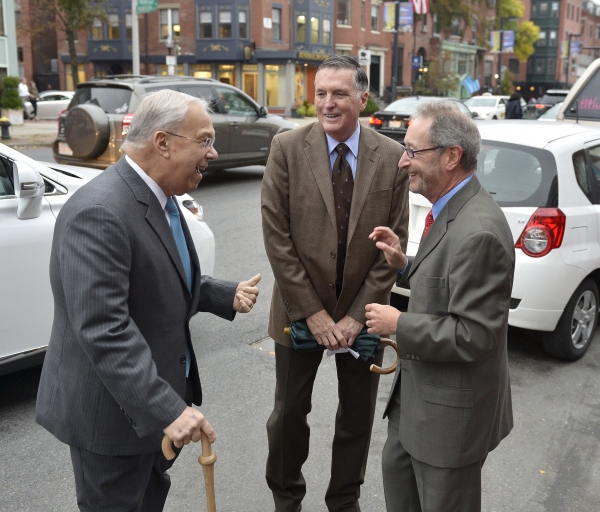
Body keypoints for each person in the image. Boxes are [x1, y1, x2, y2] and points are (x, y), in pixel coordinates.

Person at [35, 89, 261, 511]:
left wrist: (220, 294)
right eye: (205, 140)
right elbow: (105, 329)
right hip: (114, 421)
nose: (212, 153)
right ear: (163, 142)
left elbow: (156, 277)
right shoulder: (100, 212)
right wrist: (168, 410)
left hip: (152, 416)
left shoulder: (163, 199)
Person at [261, 55, 409, 512]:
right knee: (287, 417)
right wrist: (314, 312)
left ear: (362, 99)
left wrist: (351, 317)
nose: (327, 103)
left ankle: (344, 500)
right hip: (298, 312)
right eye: (321, 92)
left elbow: (393, 246)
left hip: (363, 318)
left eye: (339, 94)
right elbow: (276, 236)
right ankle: (287, 499)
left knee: (357, 418)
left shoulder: (391, 156)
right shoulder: (287, 147)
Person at [365, 101, 514, 512]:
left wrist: (399, 322)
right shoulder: (450, 209)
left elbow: (474, 335)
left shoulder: (478, 230)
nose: (402, 162)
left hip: (449, 424)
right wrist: (404, 264)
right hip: (416, 405)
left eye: (413, 151)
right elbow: (451, 280)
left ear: (452, 157)